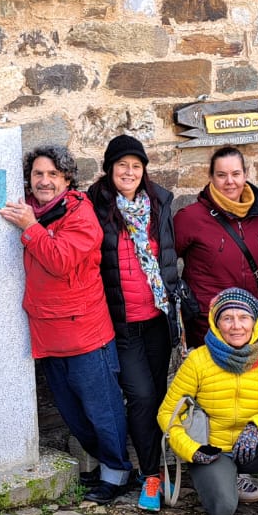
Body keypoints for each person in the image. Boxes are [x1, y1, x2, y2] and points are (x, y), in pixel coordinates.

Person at [3, 145, 134, 503]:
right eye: (38, 175)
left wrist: (30, 227)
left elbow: (60, 260)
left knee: (102, 411)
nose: (44, 181)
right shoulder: (30, 209)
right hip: (49, 332)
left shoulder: (80, 214)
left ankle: (117, 472)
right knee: (73, 414)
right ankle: (107, 467)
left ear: (67, 179)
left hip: (84, 332)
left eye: (52, 175)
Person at [157, 289, 258, 515]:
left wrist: (257, 426)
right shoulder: (198, 360)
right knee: (223, 511)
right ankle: (221, 480)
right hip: (213, 451)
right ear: (216, 324)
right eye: (227, 318)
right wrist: (192, 450)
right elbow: (168, 415)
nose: (236, 326)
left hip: (251, 446)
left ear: (255, 322)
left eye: (243, 318)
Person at [88, 135, 185, 488]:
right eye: (122, 165)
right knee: (141, 396)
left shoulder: (158, 203)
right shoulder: (94, 207)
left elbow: (168, 257)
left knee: (158, 393)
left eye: (136, 166)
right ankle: (150, 474)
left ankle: (156, 462)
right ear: (109, 169)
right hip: (122, 322)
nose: (129, 172)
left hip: (157, 319)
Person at [173, 146, 258, 346]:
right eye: (221, 175)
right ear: (210, 177)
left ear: (246, 174)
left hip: (250, 324)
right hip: (208, 326)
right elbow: (164, 262)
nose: (230, 182)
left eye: (236, 174)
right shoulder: (190, 217)